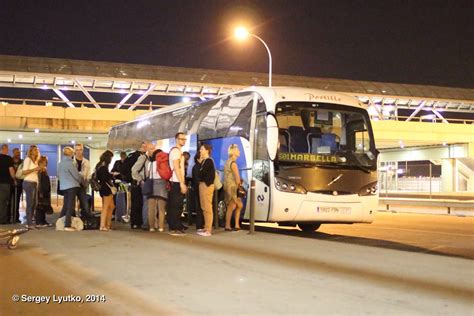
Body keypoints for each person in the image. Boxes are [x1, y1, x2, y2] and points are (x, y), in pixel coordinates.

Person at [167, 132, 188, 236]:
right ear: (176, 139)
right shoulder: (176, 152)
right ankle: (175, 226)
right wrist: (181, 183)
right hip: (176, 181)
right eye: (181, 139)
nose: (183, 141)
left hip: (175, 181)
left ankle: (174, 225)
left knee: (174, 205)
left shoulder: (178, 151)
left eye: (184, 139)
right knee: (176, 205)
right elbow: (176, 167)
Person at [58, 146, 82, 232]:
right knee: (70, 206)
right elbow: (76, 175)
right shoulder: (70, 163)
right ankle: (67, 225)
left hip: (64, 186)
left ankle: (60, 223)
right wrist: (81, 179)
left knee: (65, 205)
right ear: (71, 154)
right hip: (71, 186)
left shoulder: (61, 163)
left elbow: (59, 175)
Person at [132, 142, 155, 229]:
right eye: (152, 149)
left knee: (148, 203)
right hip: (144, 183)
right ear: (148, 150)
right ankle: (145, 223)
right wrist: (140, 180)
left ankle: (148, 222)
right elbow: (134, 170)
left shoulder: (151, 159)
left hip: (149, 182)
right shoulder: (143, 158)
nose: (154, 150)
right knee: (146, 203)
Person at [146, 149, 168, 232]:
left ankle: (151, 227)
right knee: (161, 208)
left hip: (151, 185)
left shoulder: (150, 164)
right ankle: (161, 227)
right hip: (162, 184)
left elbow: (148, 175)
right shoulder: (164, 163)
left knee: (151, 208)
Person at [126, 143, 147, 229]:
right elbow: (134, 170)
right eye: (145, 146)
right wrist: (140, 180)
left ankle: (135, 222)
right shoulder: (141, 157)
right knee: (138, 203)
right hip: (137, 182)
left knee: (135, 203)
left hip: (133, 182)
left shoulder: (131, 156)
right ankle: (137, 222)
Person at [224, 144, 243, 231]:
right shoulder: (234, 164)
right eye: (238, 150)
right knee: (234, 206)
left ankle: (235, 225)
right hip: (233, 188)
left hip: (228, 187)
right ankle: (230, 225)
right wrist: (240, 185)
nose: (239, 152)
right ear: (234, 152)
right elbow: (237, 178)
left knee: (233, 206)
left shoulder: (227, 162)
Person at [197, 144, 215, 237]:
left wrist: (200, 164)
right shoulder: (204, 161)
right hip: (203, 185)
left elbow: (201, 173)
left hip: (206, 185)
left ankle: (208, 229)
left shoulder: (208, 161)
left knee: (207, 207)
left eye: (202, 149)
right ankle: (206, 227)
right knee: (204, 207)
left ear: (207, 151)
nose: (200, 151)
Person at [22, 145, 41, 229]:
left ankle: (31, 221)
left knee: (34, 203)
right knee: (30, 203)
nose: (36, 151)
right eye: (34, 150)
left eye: (37, 150)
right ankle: (29, 223)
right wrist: (34, 169)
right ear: (30, 151)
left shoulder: (36, 161)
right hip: (28, 183)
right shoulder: (27, 160)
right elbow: (24, 172)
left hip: (34, 183)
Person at [96, 150, 115, 231]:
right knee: (106, 207)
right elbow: (104, 178)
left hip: (102, 188)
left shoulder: (99, 165)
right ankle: (103, 225)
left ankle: (108, 224)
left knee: (111, 206)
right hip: (106, 188)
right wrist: (111, 176)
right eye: (111, 157)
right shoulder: (104, 167)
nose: (111, 159)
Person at [73, 144, 91, 218]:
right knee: (71, 205)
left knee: (84, 204)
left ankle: (85, 219)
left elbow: (86, 174)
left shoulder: (86, 162)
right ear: (74, 151)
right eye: (77, 150)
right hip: (73, 185)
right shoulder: (71, 161)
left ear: (82, 150)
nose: (78, 152)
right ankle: (72, 219)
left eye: (80, 150)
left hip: (82, 185)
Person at [35, 156, 53, 228]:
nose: (46, 163)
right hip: (41, 191)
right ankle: (39, 222)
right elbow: (39, 182)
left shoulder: (44, 170)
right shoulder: (40, 171)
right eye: (45, 161)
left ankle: (43, 221)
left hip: (45, 191)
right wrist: (41, 191)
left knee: (44, 206)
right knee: (40, 206)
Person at [0, 144, 16, 225]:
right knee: (4, 202)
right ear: (5, 149)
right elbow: (11, 170)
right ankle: (2, 220)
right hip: (5, 183)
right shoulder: (8, 158)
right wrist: (14, 179)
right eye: (7, 149)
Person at [190, 152, 204, 230]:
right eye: (201, 158)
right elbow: (197, 179)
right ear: (198, 159)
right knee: (199, 207)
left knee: (200, 206)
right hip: (198, 188)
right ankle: (199, 225)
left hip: (197, 188)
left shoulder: (195, 167)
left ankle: (200, 224)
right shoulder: (197, 167)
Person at [10, 148, 23, 223]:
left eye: (18, 152)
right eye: (16, 152)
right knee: (9, 201)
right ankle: (8, 217)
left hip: (19, 184)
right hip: (10, 184)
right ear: (13, 153)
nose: (18, 154)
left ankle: (16, 218)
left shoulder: (22, 162)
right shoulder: (10, 160)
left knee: (17, 201)